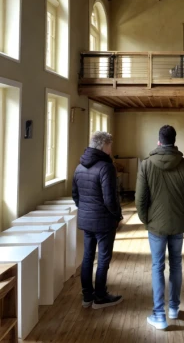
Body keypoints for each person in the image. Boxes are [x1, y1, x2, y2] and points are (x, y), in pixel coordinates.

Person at [135, 125, 184, 331]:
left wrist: (146, 220)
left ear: (159, 141)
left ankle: (159, 314)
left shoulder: (145, 165)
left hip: (155, 224)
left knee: (157, 266)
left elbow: (140, 199)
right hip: (177, 222)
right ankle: (174, 308)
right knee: (177, 265)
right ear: (175, 140)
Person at [72, 131, 123, 309]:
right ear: (104, 146)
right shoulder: (105, 167)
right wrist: (117, 215)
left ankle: (87, 296)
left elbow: (75, 196)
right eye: (110, 145)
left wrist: (86, 210)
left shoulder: (79, 167)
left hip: (86, 220)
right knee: (103, 259)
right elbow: (110, 199)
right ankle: (100, 297)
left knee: (87, 258)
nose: (111, 149)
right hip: (103, 222)